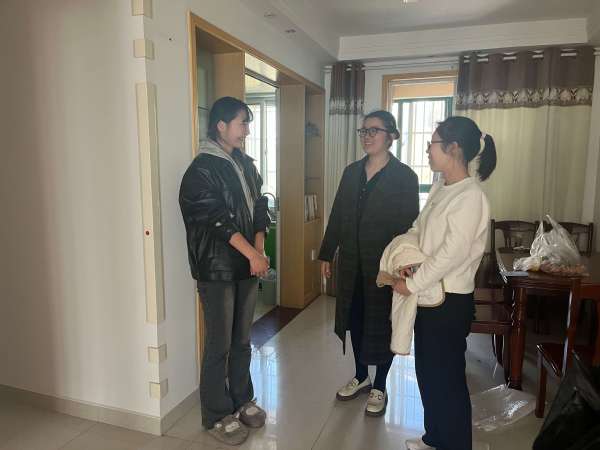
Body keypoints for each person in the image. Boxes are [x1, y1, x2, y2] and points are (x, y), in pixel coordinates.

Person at [395, 117, 497, 450]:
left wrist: (412, 284)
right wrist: (405, 254)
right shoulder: (442, 187)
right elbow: (419, 228)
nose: (428, 149)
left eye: (433, 143)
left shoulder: (470, 196)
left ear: (453, 148)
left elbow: (451, 254)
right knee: (428, 373)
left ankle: (455, 444)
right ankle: (435, 438)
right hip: (429, 296)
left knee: (447, 379)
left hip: (449, 301)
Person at [179, 96, 271, 446]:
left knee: (242, 340)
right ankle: (217, 414)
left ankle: (242, 399)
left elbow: (260, 205)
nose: (246, 130)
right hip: (217, 270)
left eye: (247, 123)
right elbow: (216, 220)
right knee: (219, 343)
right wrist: (252, 255)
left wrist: (259, 250)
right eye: (241, 123)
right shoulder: (201, 170)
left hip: (246, 265)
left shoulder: (244, 164)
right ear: (221, 125)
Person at [319, 110, 420, 417]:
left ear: (392, 136)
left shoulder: (405, 177)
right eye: (363, 131)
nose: (367, 136)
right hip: (352, 261)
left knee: (382, 322)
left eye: (374, 130)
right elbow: (337, 214)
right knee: (356, 318)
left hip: (384, 266)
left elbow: (409, 226)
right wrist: (327, 253)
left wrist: (404, 265)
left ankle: (380, 385)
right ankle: (361, 375)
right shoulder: (351, 172)